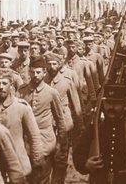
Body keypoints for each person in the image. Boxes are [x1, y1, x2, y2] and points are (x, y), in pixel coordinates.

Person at [0, 68, 44, 178]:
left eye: (5, 83)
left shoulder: (21, 107)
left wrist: (37, 161)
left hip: (17, 163)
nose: (1, 87)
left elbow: (34, 136)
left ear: (11, 85)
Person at [18, 56, 67, 184]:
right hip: (25, 144)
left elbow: (60, 120)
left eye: (38, 72)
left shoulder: (52, 93)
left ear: (44, 72)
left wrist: (61, 143)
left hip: (45, 142)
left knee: (42, 178)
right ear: (29, 72)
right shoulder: (22, 91)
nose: (35, 75)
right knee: (27, 178)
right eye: (33, 72)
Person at [44, 53, 84, 184]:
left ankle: (58, 181)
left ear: (59, 65)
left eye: (54, 64)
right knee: (47, 155)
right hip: (47, 124)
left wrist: (79, 123)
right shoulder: (43, 81)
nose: (52, 66)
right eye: (49, 64)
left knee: (61, 157)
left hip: (64, 123)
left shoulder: (67, 81)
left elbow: (76, 103)